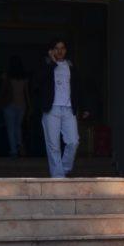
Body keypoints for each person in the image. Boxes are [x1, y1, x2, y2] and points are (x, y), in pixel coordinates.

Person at [41, 37, 90, 177]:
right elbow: (37, 81)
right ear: (51, 50)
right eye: (56, 48)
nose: (60, 51)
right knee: (53, 145)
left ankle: (64, 169)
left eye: (62, 48)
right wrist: (52, 62)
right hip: (51, 109)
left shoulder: (71, 65)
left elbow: (79, 88)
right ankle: (58, 177)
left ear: (66, 50)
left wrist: (85, 107)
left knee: (73, 141)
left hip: (68, 109)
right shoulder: (46, 64)